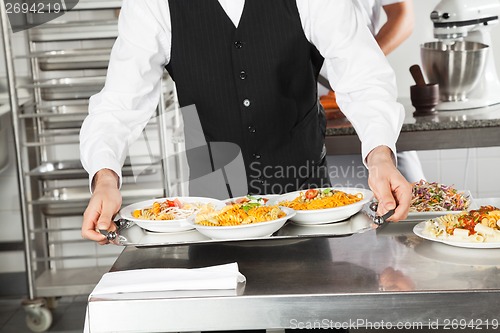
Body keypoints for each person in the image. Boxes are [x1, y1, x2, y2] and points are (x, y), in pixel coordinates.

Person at [79, 0, 412, 244]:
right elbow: (119, 104)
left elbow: (364, 77)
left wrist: (380, 155)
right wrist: (105, 177)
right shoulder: (152, 5)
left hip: (309, 203)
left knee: (315, 311)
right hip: (213, 210)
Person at [321, 0, 426, 184]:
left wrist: (362, 65)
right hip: (304, 110)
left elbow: (403, 16)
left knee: (412, 193)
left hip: (365, 94)